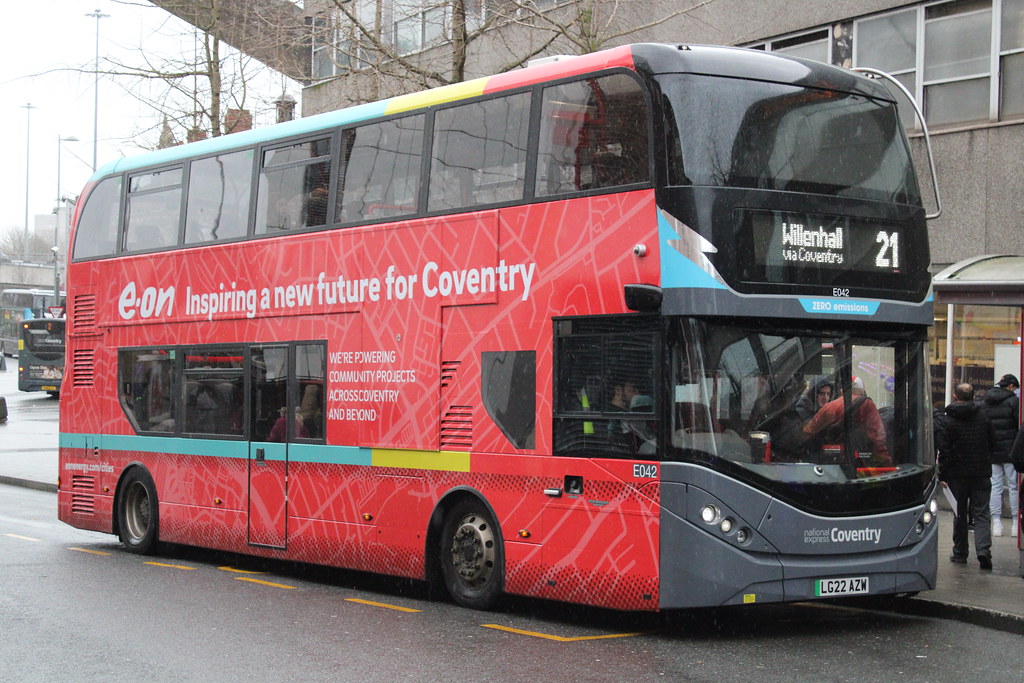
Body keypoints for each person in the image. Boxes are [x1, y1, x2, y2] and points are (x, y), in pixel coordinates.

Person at [937, 383, 996, 570]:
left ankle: (960, 552)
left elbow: (944, 451)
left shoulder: (949, 420)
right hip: (981, 472)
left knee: (959, 513)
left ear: (955, 396)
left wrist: (943, 473)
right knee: (981, 512)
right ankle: (983, 549)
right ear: (973, 396)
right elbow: (992, 442)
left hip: (957, 475)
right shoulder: (984, 416)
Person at [802, 376, 891, 465]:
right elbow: (878, 438)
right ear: (862, 392)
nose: (825, 397)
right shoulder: (866, 404)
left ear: (842, 392)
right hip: (857, 464)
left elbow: (807, 432)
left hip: (830, 464)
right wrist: (886, 463)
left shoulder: (828, 407)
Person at [981, 373, 1020, 537]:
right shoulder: (1014, 401)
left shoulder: (986, 400)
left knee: (995, 487)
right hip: (1011, 451)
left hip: (993, 451)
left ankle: (996, 523)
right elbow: (1019, 424)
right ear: (1011, 386)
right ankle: (1015, 524)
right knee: (1014, 487)